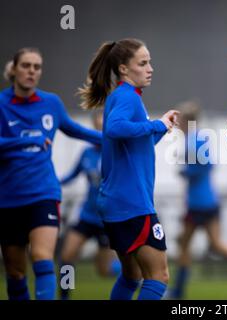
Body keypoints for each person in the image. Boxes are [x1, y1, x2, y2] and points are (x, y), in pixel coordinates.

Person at [79, 38, 179, 300]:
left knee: (132, 276)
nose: (150, 68)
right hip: (132, 203)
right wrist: (156, 125)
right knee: (158, 278)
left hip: (114, 202)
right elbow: (115, 128)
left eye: (150, 62)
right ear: (124, 69)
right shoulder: (127, 97)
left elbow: (134, 143)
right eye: (143, 63)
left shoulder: (121, 97)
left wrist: (161, 128)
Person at [0, 47, 101, 300]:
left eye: (37, 67)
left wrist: (114, 138)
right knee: (14, 272)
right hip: (8, 198)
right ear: (14, 69)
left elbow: (75, 130)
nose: (32, 71)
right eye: (26, 65)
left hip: (43, 192)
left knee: (43, 258)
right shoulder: (1, 104)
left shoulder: (51, 103)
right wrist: (22, 142)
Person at [168, 101, 227, 299]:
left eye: (180, 120)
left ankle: (178, 292)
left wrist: (186, 172)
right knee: (211, 244)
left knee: (187, 245)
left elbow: (206, 165)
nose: (178, 123)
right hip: (206, 201)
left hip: (200, 203)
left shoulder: (194, 140)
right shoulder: (195, 138)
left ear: (185, 120)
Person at [58, 111, 121, 300]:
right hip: (87, 216)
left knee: (104, 270)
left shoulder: (117, 152)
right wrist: (52, 181)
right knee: (67, 257)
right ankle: (64, 296)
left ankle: (137, 275)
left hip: (107, 220)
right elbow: (72, 175)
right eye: (97, 125)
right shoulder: (86, 153)